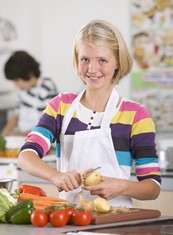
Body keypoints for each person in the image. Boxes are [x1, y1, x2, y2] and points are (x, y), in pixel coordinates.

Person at [17, 19, 161, 207]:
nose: (92, 69)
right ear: (77, 60)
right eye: (85, 59)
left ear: (117, 62)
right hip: (69, 220)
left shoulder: (136, 115)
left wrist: (123, 186)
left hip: (117, 223)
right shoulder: (61, 106)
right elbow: (26, 156)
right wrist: (56, 176)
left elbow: (153, 187)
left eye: (102, 60)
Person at [1, 50, 58, 136]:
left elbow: (46, 126)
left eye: (17, 80)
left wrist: (17, 135)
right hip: (21, 138)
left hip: (38, 140)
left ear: (29, 74)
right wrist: (5, 132)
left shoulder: (47, 90)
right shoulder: (23, 90)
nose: (15, 85)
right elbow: (16, 114)